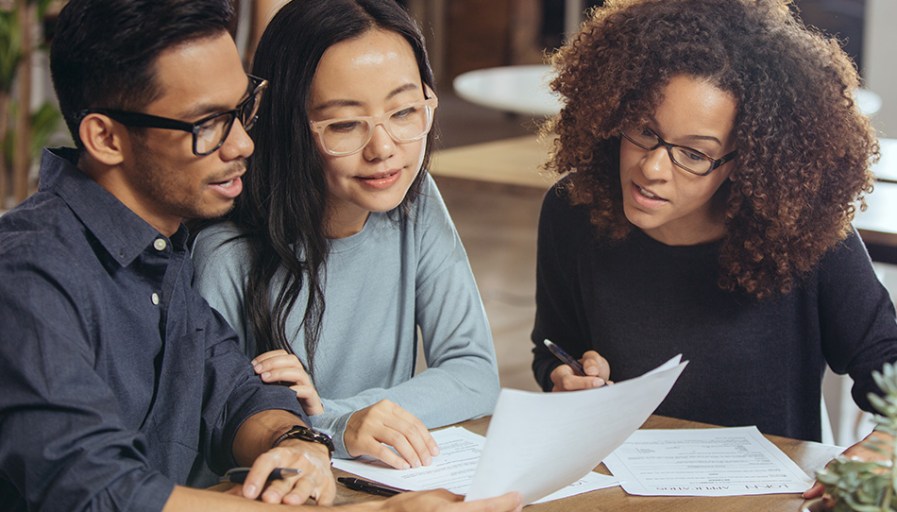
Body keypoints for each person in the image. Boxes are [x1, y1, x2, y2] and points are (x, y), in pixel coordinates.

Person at [0, 1, 521, 511]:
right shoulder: (28, 273)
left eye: (242, 110)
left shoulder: (160, 252)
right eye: (207, 123)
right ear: (106, 137)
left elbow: (237, 395)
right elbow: (94, 489)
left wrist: (298, 441)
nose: (245, 143)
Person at [528, 0, 897, 500]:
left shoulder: (807, 236)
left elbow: (887, 363)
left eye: (694, 154)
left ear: (744, 163)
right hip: (615, 497)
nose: (653, 168)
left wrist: (886, 445)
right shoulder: (573, 212)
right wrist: (564, 377)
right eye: (645, 132)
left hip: (764, 502)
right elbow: (552, 346)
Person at [192, 0, 500, 471]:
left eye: (404, 112)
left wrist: (334, 418)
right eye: (343, 124)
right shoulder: (225, 254)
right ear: (287, 124)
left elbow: (475, 374)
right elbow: (210, 432)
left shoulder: (414, 202)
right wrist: (328, 428)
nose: (384, 150)